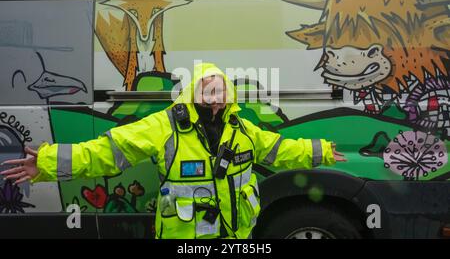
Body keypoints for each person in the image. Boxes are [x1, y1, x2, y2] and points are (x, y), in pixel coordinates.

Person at [1, 63, 346, 239]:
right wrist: (45, 163)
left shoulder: (242, 129)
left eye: (220, 89)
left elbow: (279, 149)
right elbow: (108, 151)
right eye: (207, 89)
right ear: (193, 93)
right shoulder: (164, 127)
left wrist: (323, 150)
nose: (215, 96)